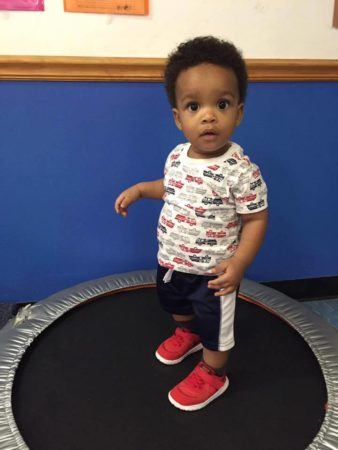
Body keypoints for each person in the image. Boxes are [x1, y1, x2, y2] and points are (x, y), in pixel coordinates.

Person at [115, 36, 268, 411]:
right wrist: (139, 190)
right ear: (178, 117)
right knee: (176, 305)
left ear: (239, 112)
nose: (209, 115)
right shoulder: (177, 156)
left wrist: (239, 264)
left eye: (222, 104)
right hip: (172, 261)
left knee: (216, 328)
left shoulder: (241, 171)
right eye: (194, 105)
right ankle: (187, 332)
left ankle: (213, 372)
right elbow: (170, 187)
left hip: (215, 274)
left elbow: (256, 218)